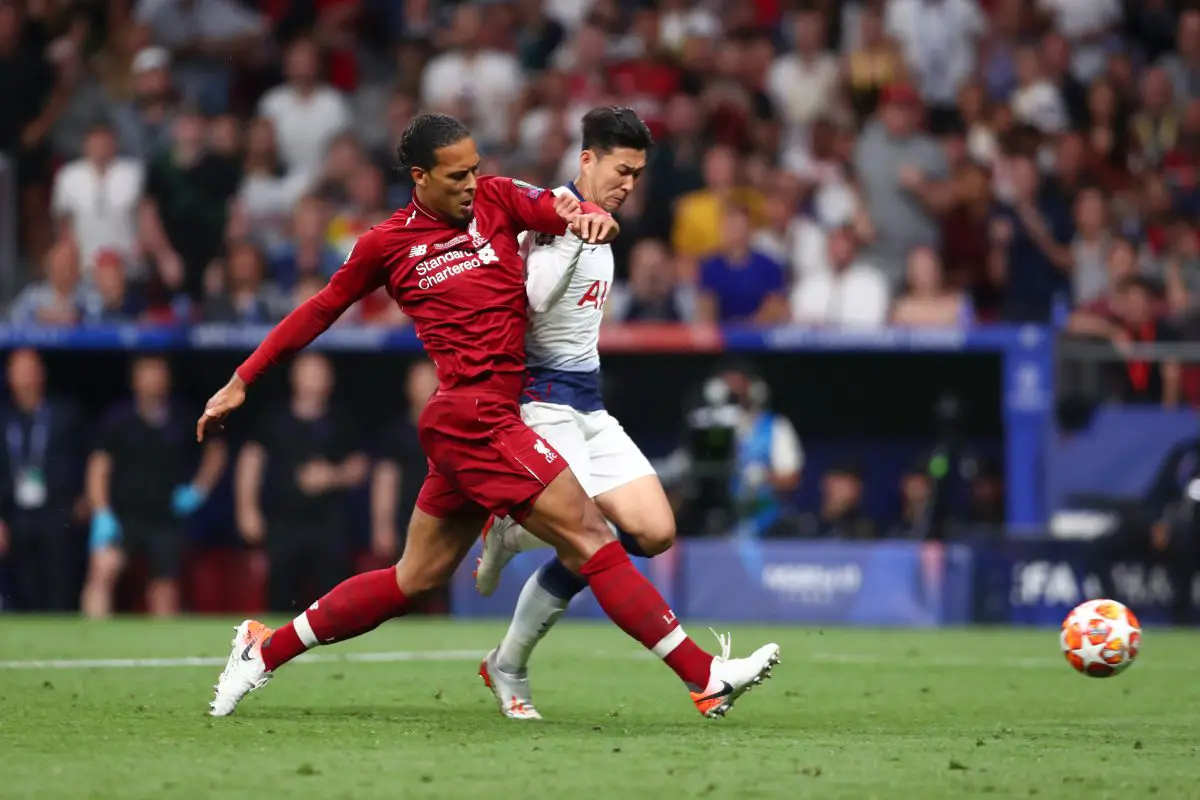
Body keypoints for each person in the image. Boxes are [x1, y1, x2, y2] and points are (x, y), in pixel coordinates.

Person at [200, 113, 779, 720]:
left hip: (491, 415)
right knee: (589, 534)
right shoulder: (386, 244)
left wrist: (582, 215)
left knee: (413, 580)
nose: (472, 183)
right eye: (457, 175)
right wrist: (243, 378)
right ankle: (702, 675)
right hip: (472, 415)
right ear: (419, 178)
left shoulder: (498, 198)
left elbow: (555, 207)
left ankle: (263, 650)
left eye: (475, 168)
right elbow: (318, 310)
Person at [471, 108, 682, 719]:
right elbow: (531, 301)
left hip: (588, 400)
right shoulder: (553, 216)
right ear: (587, 159)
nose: (629, 184)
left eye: (638, 175)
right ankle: (509, 653)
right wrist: (577, 237)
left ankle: (511, 540)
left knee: (653, 532)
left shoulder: (606, 222)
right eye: (622, 170)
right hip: (539, 400)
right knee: (591, 538)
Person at [81, 355, 226, 617]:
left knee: (165, 587)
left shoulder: (184, 417)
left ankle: (163, 651)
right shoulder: (117, 419)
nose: (153, 380)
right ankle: (88, 640)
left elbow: (216, 450)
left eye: (159, 373)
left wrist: (198, 490)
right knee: (103, 569)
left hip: (165, 515)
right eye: (147, 373)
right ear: (135, 380)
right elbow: (98, 467)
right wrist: (101, 511)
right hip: (122, 513)